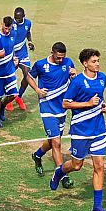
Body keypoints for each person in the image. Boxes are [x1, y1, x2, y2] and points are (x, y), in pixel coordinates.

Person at [53, 48, 106, 211]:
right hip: (81, 130)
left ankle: (97, 206)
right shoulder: (77, 82)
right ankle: (59, 172)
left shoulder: (102, 78)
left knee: (99, 166)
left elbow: (99, 98)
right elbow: (65, 103)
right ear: (85, 63)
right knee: (77, 165)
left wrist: (104, 106)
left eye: (98, 61)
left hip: (99, 129)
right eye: (94, 61)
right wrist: (88, 104)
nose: (97, 64)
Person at [29, 43, 77, 177]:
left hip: (61, 108)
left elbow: (74, 82)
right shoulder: (41, 65)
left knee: (53, 140)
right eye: (58, 58)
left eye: (62, 57)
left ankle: (37, 155)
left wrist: (74, 76)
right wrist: (37, 90)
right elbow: (29, 77)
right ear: (52, 53)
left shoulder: (68, 62)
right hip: (47, 107)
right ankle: (61, 175)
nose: (60, 60)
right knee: (57, 142)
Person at [0, 17, 20, 128]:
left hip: (10, 70)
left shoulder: (14, 34)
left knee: (13, 95)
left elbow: (12, 48)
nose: (7, 31)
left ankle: (2, 107)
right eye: (5, 28)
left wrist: (14, 57)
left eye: (9, 28)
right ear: (2, 24)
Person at [6, 7, 35, 111]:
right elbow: (7, 38)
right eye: (15, 17)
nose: (16, 20)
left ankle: (19, 97)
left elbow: (28, 32)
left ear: (23, 16)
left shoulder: (28, 23)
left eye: (18, 18)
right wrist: (12, 56)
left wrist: (30, 42)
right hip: (11, 54)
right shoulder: (11, 24)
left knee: (28, 75)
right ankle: (8, 99)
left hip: (23, 54)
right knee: (9, 76)